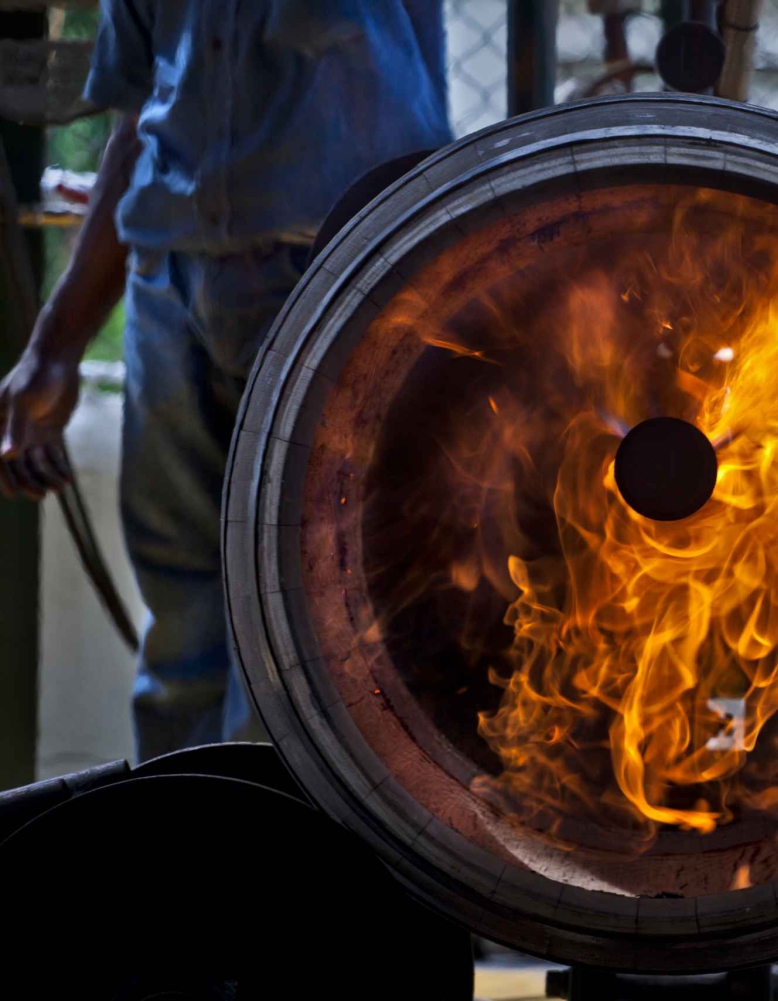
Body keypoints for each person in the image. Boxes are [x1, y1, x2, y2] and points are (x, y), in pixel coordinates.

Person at [0, 1, 452, 760]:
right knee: (181, 631)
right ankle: (181, 821)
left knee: (292, 643)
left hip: (325, 280)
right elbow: (139, 116)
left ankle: (255, 837)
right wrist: (54, 347)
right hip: (169, 278)